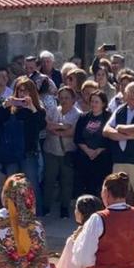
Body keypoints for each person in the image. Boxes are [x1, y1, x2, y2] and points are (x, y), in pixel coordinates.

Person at [0, 76, 47, 209]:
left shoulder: (37, 110)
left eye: (26, 91)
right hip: (11, 153)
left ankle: (36, 213)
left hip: (28, 152)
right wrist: (5, 105)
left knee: (32, 183)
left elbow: (41, 125)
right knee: (12, 185)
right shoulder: (10, 109)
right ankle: (13, 213)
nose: (23, 94)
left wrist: (32, 107)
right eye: (20, 91)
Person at [44, 86, 81, 217]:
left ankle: (64, 208)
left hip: (68, 153)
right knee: (49, 179)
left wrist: (57, 129)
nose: (64, 100)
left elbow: (71, 132)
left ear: (73, 99)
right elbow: (47, 125)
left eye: (67, 98)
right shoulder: (53, 110)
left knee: (67, 181)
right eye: (61, 98)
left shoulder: (78, 114)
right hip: (51, 150)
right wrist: (62, 127)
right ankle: (46, 207)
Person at [74, 91, 112, 196]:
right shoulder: (84, 117)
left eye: (97, 102)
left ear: (103, 104)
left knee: (100, 186)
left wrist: (98, 150)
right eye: (92, 102)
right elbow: (77, 137)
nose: (94, 104)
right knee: (85, 186)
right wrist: (88, 151)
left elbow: (110, 137)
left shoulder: (109, 117)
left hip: (102, 158)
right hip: (85, 157)